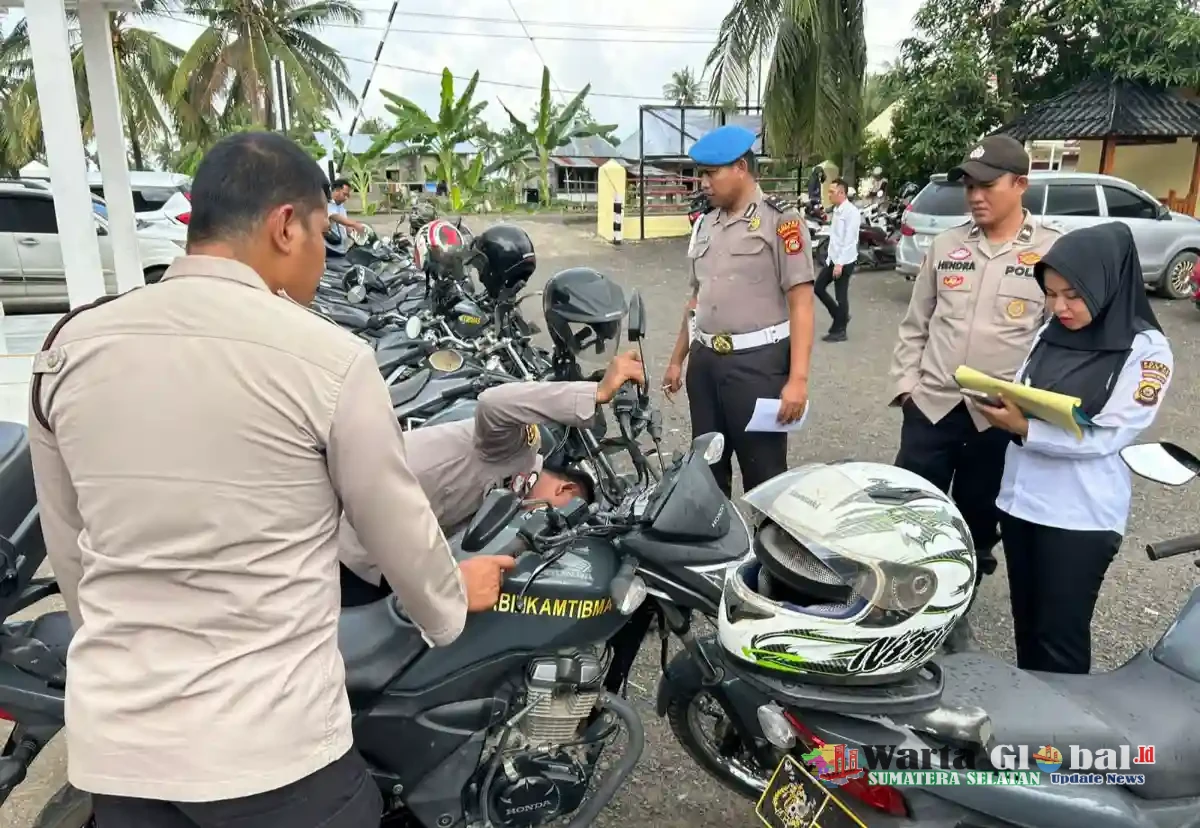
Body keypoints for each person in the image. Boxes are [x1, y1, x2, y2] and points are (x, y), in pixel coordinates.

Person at [27, 132, 514, 828]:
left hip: (122, 755)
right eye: (323, 233)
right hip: (274, 754)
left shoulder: (65, 350)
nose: (326, 253)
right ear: (286, 225)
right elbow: (398, 527)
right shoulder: (330, 358)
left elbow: (71, 548)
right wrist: (448, 606)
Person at [975, 223, 1173, 674]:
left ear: (1106, 284)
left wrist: (1026, 429)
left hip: (1079, 517)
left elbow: (1112, 435)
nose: (1059, 307)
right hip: (1022, 503)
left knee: (1060, 638)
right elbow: (1028, 389)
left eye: (1072, 295)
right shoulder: (1050, 331)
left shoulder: (1145, 350)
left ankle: (1064, 739)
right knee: (1027, 628)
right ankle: (1034, 728)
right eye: (1050, 293)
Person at [889, 134, 1063, 609]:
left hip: (997, 419)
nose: (975, 195)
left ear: (1021, 184)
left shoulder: (1052, 253)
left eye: (988, 185)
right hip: (932, 406)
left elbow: (1056, 341)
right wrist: (907, 388)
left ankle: (956, 603)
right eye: (969, 185)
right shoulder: (947, 245)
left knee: (977, 518)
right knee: (911, 513)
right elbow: (915, 323)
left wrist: (1029, 410)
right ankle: (904, 600)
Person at [340, 351, 647, 605]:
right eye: (570, 509)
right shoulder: (521, 452)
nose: (559, 522)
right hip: (350, 541)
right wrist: (596, 393)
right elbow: (495, 404)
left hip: (375, 549)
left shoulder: (507, 501)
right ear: (566, 486)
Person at [661, 125, 816, 498]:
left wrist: (798, 379)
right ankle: (719, 553)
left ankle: (769, 555)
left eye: (711, 173)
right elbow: (696, 299)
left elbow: (802, 303)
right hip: (706, 364)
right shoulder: (705, 225)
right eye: (701, 174)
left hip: (757, 366)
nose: (704, 183)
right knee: (708, 471)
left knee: (765, 477)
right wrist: (676, 359)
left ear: (741, 168)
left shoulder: (782, 222)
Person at [814, 178, 861, 342]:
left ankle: (840, 330)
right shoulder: (838, 210)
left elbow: (849, 241)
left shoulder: (851, 213)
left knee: (841, 296)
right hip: (833, 259)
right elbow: (835, 238)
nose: (829, 195)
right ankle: (840, 316)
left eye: (832, 192)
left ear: (842, 193)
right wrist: (830, 259)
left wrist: (840, 264)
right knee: (818, 287)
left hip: (844, 261)